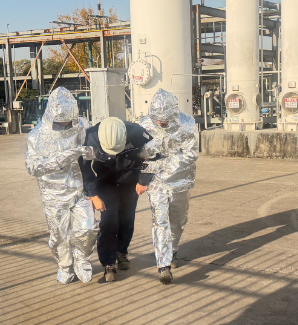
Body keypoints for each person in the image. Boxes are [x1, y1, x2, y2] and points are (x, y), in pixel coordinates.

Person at [26, 87, 97, 284]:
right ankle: (65, 266)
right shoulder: (37, 136)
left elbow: (92, 147)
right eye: (62, 121)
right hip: (53, 195)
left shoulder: (81, 125)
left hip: (79, 190)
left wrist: (91, 152)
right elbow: (32, 167)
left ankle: (82, 260)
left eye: (69, 120)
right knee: (59, 236)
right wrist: (64, 157)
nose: (67, 124)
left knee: (88, 229)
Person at [80, 116, 156, 283]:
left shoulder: (137, 133)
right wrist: (93, 194)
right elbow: (84, 168)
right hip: (105, 182)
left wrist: (143, 180)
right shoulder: (91, 137)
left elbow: (153, 155)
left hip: (130, 182)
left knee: (127, 219)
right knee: (108, 222)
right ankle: (108, 263)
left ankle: (122, 251)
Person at [139, 89, 198, 285]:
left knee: (177, 221)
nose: (161, 123)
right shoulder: (144, 125)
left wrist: (160, 166)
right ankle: (163, 265)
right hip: (156, 183)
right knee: (160, 221)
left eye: (165, 121)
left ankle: (172, 250)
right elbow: (140, 155)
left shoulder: (187, 123)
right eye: (158, 120)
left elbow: (190, 155)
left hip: (180, 180)